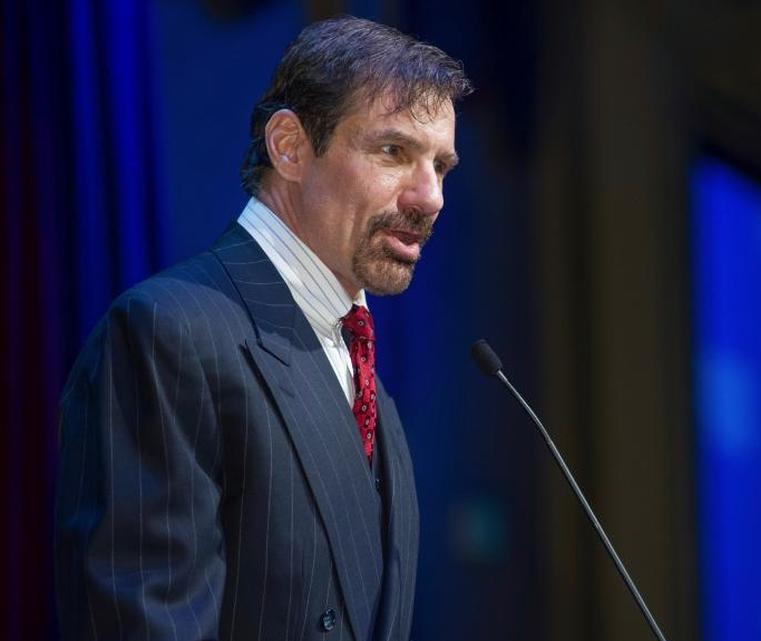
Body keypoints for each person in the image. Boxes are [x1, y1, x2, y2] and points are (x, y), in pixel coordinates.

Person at [54, 16, 470, 641]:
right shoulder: (168, 334)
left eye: (441, 166)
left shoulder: (362, 374)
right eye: (394, 152)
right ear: (290, 147)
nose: (430, 196)